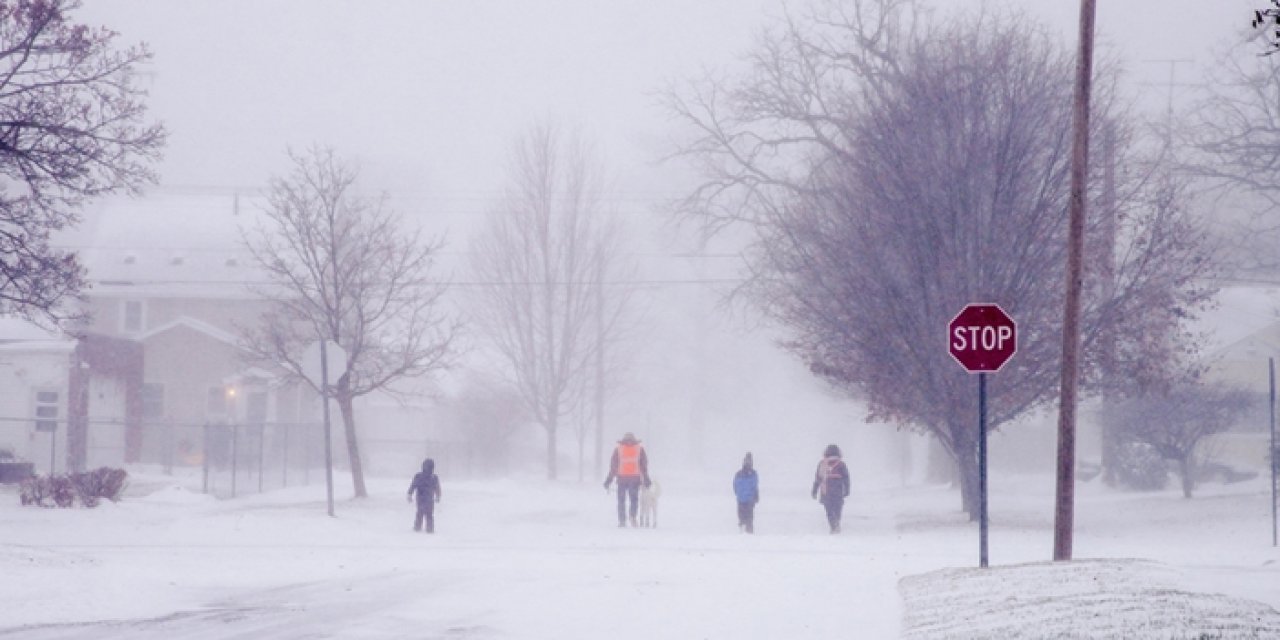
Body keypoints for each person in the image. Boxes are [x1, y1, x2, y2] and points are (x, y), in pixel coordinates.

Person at [603, 432, 651, 527]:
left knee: (621, 500)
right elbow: (644, 466)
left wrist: (609, 480)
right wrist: (646, 479)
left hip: (622, 478)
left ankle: (622, 520)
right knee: (634, 499)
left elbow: (613, 467)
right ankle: (632, 516)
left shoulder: (618, 450)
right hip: (634, 478)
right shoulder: (639, 449)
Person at [811, 444, 850, 534]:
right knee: (837, 508)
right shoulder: (841, 464)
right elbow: (846, 478)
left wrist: (814, 490)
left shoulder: (822, 464)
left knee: (829, 509)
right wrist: (847, 489)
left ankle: (833, 525)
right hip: (838, 489)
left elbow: (818, 478)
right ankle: (837, 522)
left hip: (826, 490)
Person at [406, 457, 442, 533]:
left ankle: (421, 528)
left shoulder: (431, 477)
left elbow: (437, 488)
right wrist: (409, 493)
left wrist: (410, 494)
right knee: (424, 513)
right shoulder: (429, 477)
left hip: (424, 498)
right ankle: (425, 529)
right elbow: (413, 485)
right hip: (424, 498)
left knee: (423, 513)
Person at [733, 452, 759, 533]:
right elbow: (755, 486)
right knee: (748, 520)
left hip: (742, 500)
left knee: (743, 519)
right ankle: (748, 535)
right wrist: (756, 496)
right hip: (748, 501)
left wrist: (738, 494)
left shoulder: (738, 474)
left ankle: (743, 534)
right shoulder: (753, 474)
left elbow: (735, 486)